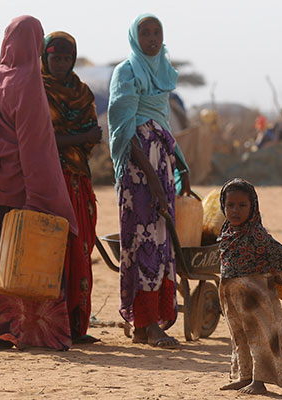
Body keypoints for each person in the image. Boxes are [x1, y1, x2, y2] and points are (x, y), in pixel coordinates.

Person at [0, 15, 79, 351]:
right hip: (24, 189)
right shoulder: (28, 82)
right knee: (31, 261)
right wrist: (42, 197)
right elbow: (34, 145)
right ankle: (34, 333)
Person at [108, 13, 196, 349]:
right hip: (138, 173)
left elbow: (164, 126)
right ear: (134, 37)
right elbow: (124, 131)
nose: (152, 39)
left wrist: (181, 167)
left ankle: (149, 324)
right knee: (142, 244)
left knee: (162, 245)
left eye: (157, 32)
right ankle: (147, 322)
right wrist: (153, 182)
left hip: (161, 167)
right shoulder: (126, 72)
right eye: (145, 33)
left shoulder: (163, 70)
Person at [41, 31, 102, 344]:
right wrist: (81, 138)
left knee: (81, 249)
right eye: (55, 57)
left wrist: (82, 139)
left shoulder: (81, 91)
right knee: (55, 251)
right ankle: (53, 324)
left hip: (79, 176)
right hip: (50, 181)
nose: (61, 64)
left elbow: (95, 133)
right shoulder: (38, 91)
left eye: (66, 58)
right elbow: (42, 137)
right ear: (45, 57)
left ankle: (77, 326)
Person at [217, 178, 282, 394]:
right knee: (239, 336)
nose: (235, 210)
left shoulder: (256, 233)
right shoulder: (227, 232)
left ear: (253, 207)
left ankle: (259, 381)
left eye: (242, 205)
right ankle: (245, 376)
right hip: (232, 295)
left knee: (258, 337)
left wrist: (278, 276)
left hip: (254, 297)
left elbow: (279, 251)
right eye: (230, 205)